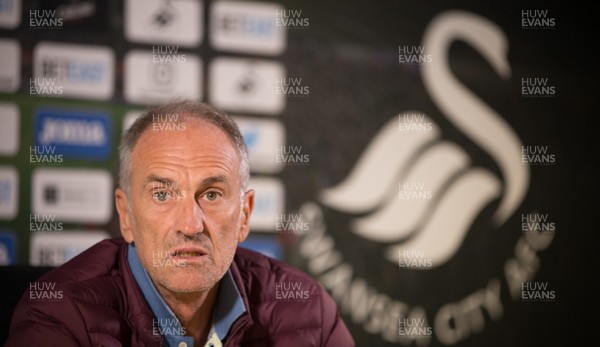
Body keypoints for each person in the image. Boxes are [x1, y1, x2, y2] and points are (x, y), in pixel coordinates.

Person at [6, 100, 355, 347]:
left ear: (245, 215)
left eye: (212, 195)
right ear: (126, 216)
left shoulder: (307, 310)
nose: (190, 225)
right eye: (162, 194)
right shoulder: (62, 318)